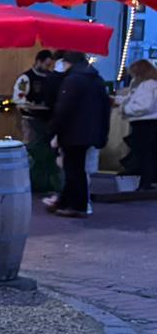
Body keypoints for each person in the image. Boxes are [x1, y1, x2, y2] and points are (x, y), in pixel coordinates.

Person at [44, 50, 111, 218]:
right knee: (77, 168)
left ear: (67, 63)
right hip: (90, 132)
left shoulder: (72, 80)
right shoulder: (96, 79)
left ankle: (75, 205)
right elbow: (105, 108)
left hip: (72, 132)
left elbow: (63, 109)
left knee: (73, 170)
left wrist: (53, 130)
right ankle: (67, 202)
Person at [12, 49, 61, 193]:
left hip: (48, 120)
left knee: (47, 153)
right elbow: (18, 99)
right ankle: (32, 182)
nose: (48, 68)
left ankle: (46, 183)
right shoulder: (26, 78)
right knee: (34, 150)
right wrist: (32, 105)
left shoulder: (51, 77)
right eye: (46, 65)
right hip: (31, 120)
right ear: (38, 61)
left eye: (50, 65)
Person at [116, 58, 157, 191]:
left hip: (144, 123)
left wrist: (124, 108)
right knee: (148, 153)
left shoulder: (147, 85)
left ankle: (145, 183)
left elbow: (143, 105)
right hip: (149, 123)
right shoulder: (149, 84)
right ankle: (147, 182)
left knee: (143, 154)